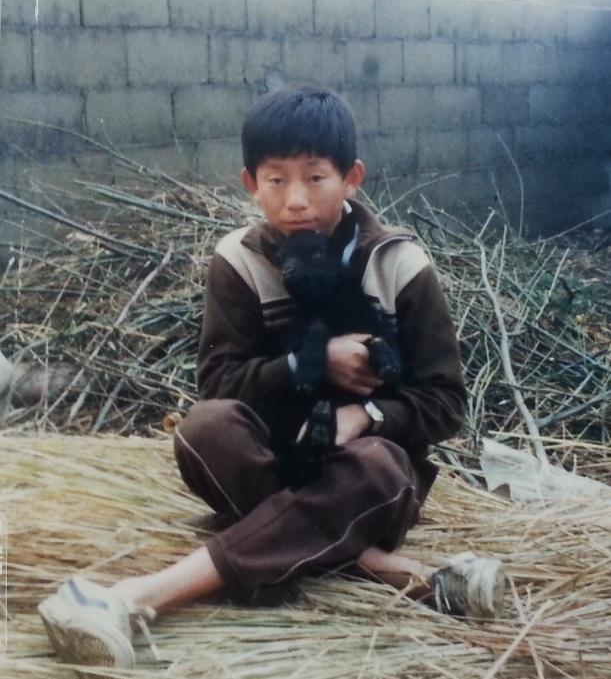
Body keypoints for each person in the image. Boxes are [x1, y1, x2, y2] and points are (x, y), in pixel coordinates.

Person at [38, 86, 505, 672]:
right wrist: (305, 365)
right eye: (276, 180)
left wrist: (364, 416)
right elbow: (219, 381)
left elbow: (445, 402)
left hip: (369, 475)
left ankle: (135, 596)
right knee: (204, 429)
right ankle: (375, 567)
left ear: (352, 177)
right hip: (276, 454)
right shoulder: (238, 260)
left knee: (379, 467)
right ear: (249, 184)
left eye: (315, 177)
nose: (296, 200)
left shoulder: (399, 266)